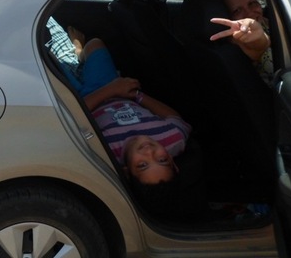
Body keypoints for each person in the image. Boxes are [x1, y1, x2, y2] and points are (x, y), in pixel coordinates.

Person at [45, 18, 191, 185]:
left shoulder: (108, 153)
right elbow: (174, 117)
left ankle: (73, 55)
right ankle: (79, 54)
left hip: (78, 101)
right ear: (173, 162)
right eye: (162, 160)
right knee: (95, 44)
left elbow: (70, 117)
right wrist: (137, 95)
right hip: (113, 89)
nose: (150, 152)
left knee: (46, 53)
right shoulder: (172, 139)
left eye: (142, 165)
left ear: (126, 172)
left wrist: (112, 89)